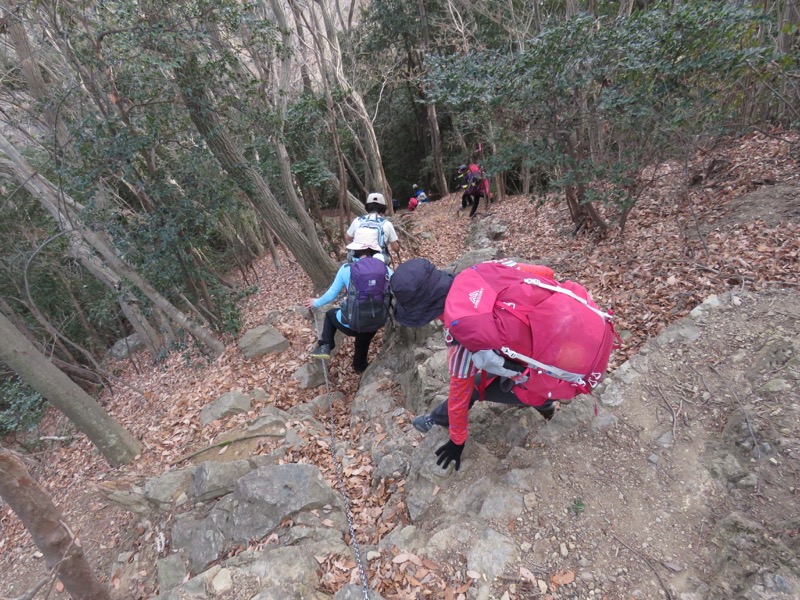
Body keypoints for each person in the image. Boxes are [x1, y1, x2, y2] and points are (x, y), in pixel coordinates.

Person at [390, 258, 611, 472]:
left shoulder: (462, 341)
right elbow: (546, 273)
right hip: (590, 332)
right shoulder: (489, 269)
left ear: (424, 313)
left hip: (560, 378)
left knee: (474, 388)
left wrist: (457, 442)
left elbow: (460, 398)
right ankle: (544, 405)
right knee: (501, 359)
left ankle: (541, 402)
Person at [305, 228, 391, 373]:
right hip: (377, 321)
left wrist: (316, 302)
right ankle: (360, 367)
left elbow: (331, 294)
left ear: (354, 251)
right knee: (364, 337)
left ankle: (326, 345)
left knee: (331, 314)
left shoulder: (346, 269)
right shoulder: (384, 269)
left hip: (352, 323)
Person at [345, 192, 400, 262]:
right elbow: (395, 248)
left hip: (358, 260)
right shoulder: (387, 224)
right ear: (383, 208)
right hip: (378, 261)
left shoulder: (358, 220)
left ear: (367, 206)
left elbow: (348, 237)